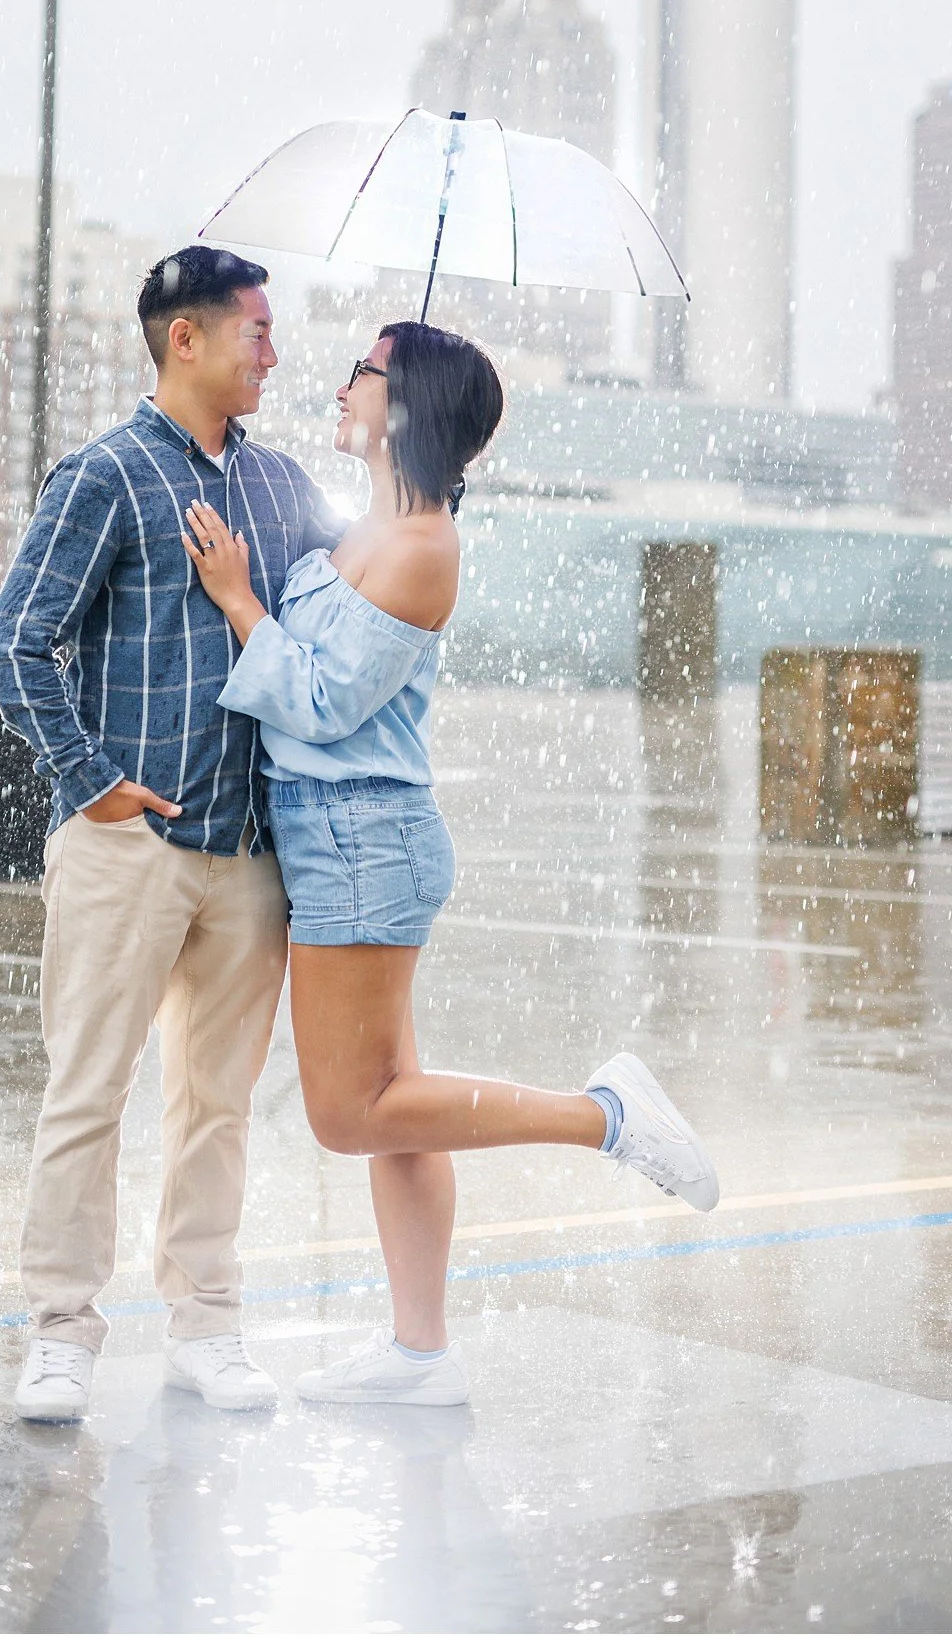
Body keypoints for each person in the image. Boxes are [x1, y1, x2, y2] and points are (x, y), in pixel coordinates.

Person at [183, 319, 719, 1408]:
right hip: (337, 831)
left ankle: (603, 1114)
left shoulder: (423, 546)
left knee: (349, 1111)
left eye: (364, 371)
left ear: (408, 403)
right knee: (396, 1103)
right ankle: (420, 1352)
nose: (340, 383)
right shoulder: (365, 527)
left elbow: (327, 705)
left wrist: (242, 599)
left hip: (357, 833)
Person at [0, 245, 344, 1427]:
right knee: (88, 1091)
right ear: (182, 338)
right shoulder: (103, 475)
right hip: (126, 845)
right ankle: (61, 1331)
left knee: (218, 1103)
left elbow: (318, 651)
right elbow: (16, 642)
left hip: (250, 854)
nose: (272, 351)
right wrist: (92, 782)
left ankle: (206, 1322)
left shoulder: (287, 488)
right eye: (255, 329)